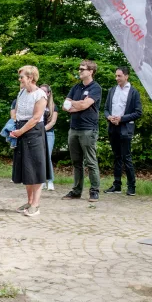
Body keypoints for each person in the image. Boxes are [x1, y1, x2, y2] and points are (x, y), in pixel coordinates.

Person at [10, 66, 51, 217]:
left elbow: (35, 118)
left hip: (33, 132)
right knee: (25, 167)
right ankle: (29, 201)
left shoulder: (40, 94)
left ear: (31, 78)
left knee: (36, 167)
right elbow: (17, 111)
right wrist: (14, 126)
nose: (19, 79)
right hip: (21, 129)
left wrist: (21, 131)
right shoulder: (21, 92)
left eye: (22, 77)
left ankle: (36, 204)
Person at [62, 59, 102, 202]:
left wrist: (75, 104)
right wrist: (77, 104)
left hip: (88, 129)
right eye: (79, 69)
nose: (79, 71)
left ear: (91, 71)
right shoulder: (76, 88)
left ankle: (94, 190)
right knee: (76, 162)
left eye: (82, 69)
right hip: (74, 128)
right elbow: (64, 106)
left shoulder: (95, 88)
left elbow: (85, 105)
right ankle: (76, 190)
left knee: (91, 161)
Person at [103, 66, 143, 196]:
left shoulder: (133, 92)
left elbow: (138, 112)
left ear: (126, 76)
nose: (117, 78)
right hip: (112, 126)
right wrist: (109, 117)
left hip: (125, 127)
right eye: (116, 76)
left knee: (126, 157)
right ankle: (117, 185)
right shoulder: (112, 90)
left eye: (119, 76)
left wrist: (122, 118)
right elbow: (106, 109)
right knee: (117, 157)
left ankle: (131, 186)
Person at [40, 84, 58, 191]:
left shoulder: (53, 106)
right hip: (37, 134)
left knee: (47, 156)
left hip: (48, 134)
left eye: (44, 91)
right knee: (39, 157)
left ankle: (50, 180)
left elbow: (53, 122)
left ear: (48, 93)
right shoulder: (37, 104)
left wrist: (42, 130)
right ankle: (41, 180)